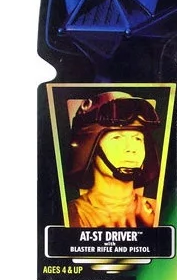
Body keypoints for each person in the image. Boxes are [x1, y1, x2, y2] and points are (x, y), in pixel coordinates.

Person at [65, 91, 161, 227]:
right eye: (117, 138)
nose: (131, 148)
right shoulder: (72, 216)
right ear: (89, 148)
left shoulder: (156, 210)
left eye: (137, 139)